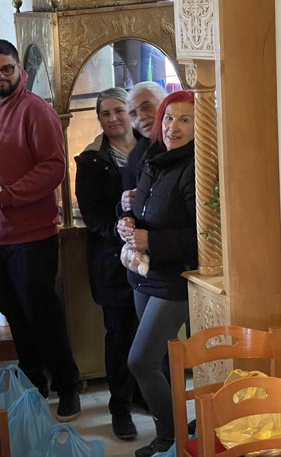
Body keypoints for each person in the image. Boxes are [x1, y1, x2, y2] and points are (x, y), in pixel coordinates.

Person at [0, 39, 81, 422]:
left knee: (42, 313)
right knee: (12, 313)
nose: (0, 76)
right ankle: (34, 383)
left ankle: (67, 385)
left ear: (20, 71)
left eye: (7, 69)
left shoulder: (37, 111)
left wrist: (9, 195)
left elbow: (53, 167)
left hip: (31, 234)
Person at [117, 90, 197, 457]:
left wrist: (153, 240)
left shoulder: (197, 166)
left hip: (174, 280)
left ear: (200, 125)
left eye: (184, 120)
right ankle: (178, 427)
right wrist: (125, 222)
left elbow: (205, 238)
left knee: (141, 360)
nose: (172, 127)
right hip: (143, 273)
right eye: (168, 117)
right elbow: (141, 212)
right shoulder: (153, 158)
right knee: (159, 362)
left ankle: (169, 438)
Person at [74, 87, 140, 440]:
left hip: (154, 257)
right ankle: (120, 406)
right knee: (120, 335)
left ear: (131, 112)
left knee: (153, 335)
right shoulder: (91, 161)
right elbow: (94, 216)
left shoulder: (151, 148)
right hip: (112, 262)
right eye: (105, 113)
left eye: (119, 110)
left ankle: (148, 395)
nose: (113, 118)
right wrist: (121, 227)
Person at [121, 81, 167, 205]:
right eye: (133, 114)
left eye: (146, 107)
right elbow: (131, 198)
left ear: (165, 104)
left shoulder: (188, 141)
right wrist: (125, 203)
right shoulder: (136, 156)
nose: (141, 117)